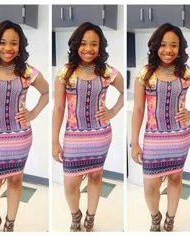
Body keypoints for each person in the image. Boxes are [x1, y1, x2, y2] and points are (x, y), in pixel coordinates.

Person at [0, 20, 49, 232]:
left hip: (20, 137)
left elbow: (46, 93)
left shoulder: (27, 72)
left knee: (16, 182)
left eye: (14, 43)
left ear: (20, 46)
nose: (8, 48)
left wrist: (33, 113)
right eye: (3, 42)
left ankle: (10, 223)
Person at [52, 22, 124, 232]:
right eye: (83, 43)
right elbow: (58, 108)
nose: (88, 48)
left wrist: (111, 112)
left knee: (95, 176)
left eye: (94, 44)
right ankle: (76, 216)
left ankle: (91, 217)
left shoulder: (107, 72)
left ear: (100, 47)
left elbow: (125, 94)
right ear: (76, 45)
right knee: (71, 183)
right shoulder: (65, 72)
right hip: (73, 136)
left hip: (100, 134)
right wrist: (55, 140)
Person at [131, 23, 190, 232]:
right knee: (150, 185)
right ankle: (155, 217)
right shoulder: (144, 74)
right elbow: (138, 110)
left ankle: (170, 219)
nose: (168, 50)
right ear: (155, 46)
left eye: (174, 45)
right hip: (153, 138)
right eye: (163, 44)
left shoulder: (187, 73)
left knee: (175, 178)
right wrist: (134, 142)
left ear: (180, 48)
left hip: (180, 137)